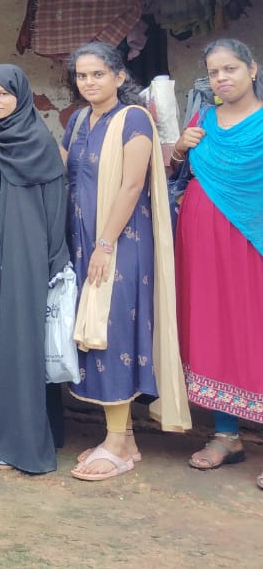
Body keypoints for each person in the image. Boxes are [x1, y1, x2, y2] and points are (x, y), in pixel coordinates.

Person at [63, 42, 189, 482]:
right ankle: (124, 438)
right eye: (81, 75)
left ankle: (116, 442)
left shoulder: (134, 119)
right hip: (84, 242)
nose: (88, 82)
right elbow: (66, 169)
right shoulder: (79, 120)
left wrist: (105, 243)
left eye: (97, 73)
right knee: (94, 332)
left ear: (119, 76)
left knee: (111, 333)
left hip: (120, 243)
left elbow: (132, 185)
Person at [172, 38, 263, 488]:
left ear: (253, 69)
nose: (222, 78)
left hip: (253, 245)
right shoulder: (201, 120)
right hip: (202, 243)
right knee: (213, 329)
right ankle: (226, 436)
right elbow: (170, 177)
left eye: (230, 69)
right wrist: (177, 148)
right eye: (213, 72)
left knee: (255, 330)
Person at [0, 65, 69, 474]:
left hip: (29, 256)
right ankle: (1, 436)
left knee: (21, 346)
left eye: (3, 95)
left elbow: (55, 207)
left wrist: (52, 260)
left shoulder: (40, 142)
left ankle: (26, 449)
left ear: (21, 96)